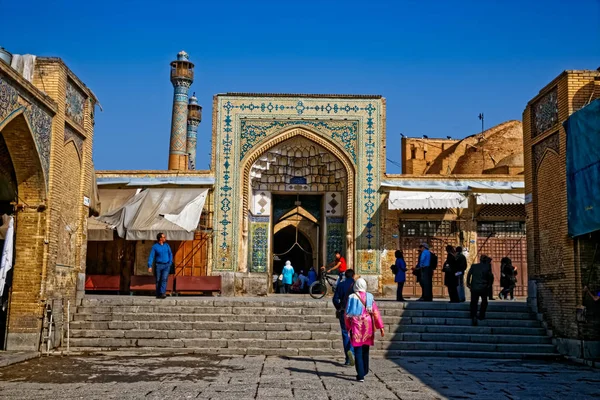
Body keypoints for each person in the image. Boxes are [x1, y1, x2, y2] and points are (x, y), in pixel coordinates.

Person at [345, 278, 384, 382]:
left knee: (358, 350)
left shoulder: (351, 297)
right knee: (365, 350)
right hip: (368, 326)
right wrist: (381, 327)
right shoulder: (370, 297)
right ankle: (365, 370)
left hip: (356, 326)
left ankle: (360, 374)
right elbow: (375, 312)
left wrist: (348, 327)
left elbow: (347, 314)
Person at [333, 269, 356, 366]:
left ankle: (347, 358)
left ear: (345, 276)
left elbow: (335, 299)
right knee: (355, 332)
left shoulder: (341, 285)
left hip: (344, 312)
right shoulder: (357, 285)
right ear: (353, 275)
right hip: (355, 312)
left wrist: (339, 307)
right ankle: (352, 351)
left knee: (345, 333)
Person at [467, 255, 494, 326]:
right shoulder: (487, 267)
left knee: (474, 302)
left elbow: (469, 274)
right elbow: (490, 277)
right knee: (484, 301)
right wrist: (489, 285)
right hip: (483, 287)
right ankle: (481, 315)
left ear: (480, 260)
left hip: (474, 287)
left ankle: (473, 315)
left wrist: (468, 283)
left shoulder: (474, 266)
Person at [147, 232, 173, 299]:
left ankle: (162, 293)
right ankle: (158, 293)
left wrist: (170, 262)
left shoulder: (167, 245)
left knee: (164, 279)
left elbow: (170, 254)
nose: (165, 238)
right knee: (158, 280)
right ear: (160, 238)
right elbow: (151, 256)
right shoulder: (155, 247)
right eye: (163, 237)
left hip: (166, 265)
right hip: (158, 265)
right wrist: (149, 266)